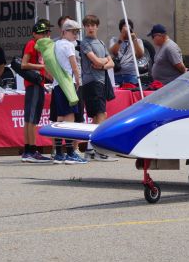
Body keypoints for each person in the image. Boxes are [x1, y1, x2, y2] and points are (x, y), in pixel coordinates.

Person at [79, 14, 117, 162]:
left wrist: (103, 64)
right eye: (88, 25)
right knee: (100, 114)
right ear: (84, 27)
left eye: (93, 25)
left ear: (97, 26)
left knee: (98, 116)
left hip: (101, 82)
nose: (90, 27)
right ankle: (99, 151)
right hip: (92, 82)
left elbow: (111, 63)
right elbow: (93, 60)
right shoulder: (84, 43)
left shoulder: (101, 42)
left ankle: (90, 149)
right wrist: (104, 62)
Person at [51, 19, 87, 165]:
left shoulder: (56, 44)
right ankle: (71, 153)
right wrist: (78, 80)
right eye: (73, 32)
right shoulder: (68, 46)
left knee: (60, 117)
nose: (76, 35)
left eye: (77, 32)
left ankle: (59, 153)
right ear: (64, 32)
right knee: (70, 117)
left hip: (57, 84)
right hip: (68, 84)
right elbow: (74, 64)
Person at [21, 19, 52, 163]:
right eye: (41, 33)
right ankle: (31, 150)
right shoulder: (32, 44)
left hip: (38, 84)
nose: (44, 35)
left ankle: (28, 150)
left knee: (31, 118)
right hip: (33, 84)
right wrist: (41, 67)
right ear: (34, 34)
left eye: (45, 33)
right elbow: (24, 64)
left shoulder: (41, 45)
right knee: (31, 119)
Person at [108, 18, 144, 86]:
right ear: (120, 30)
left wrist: (134, 40)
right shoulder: (114, 40)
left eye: (128, 29)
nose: (127, 31)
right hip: (117, 75)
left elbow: (140, 55)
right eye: (124, 29)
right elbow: (114, 52)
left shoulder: (138, 41)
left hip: (131, 75)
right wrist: (121, 38)